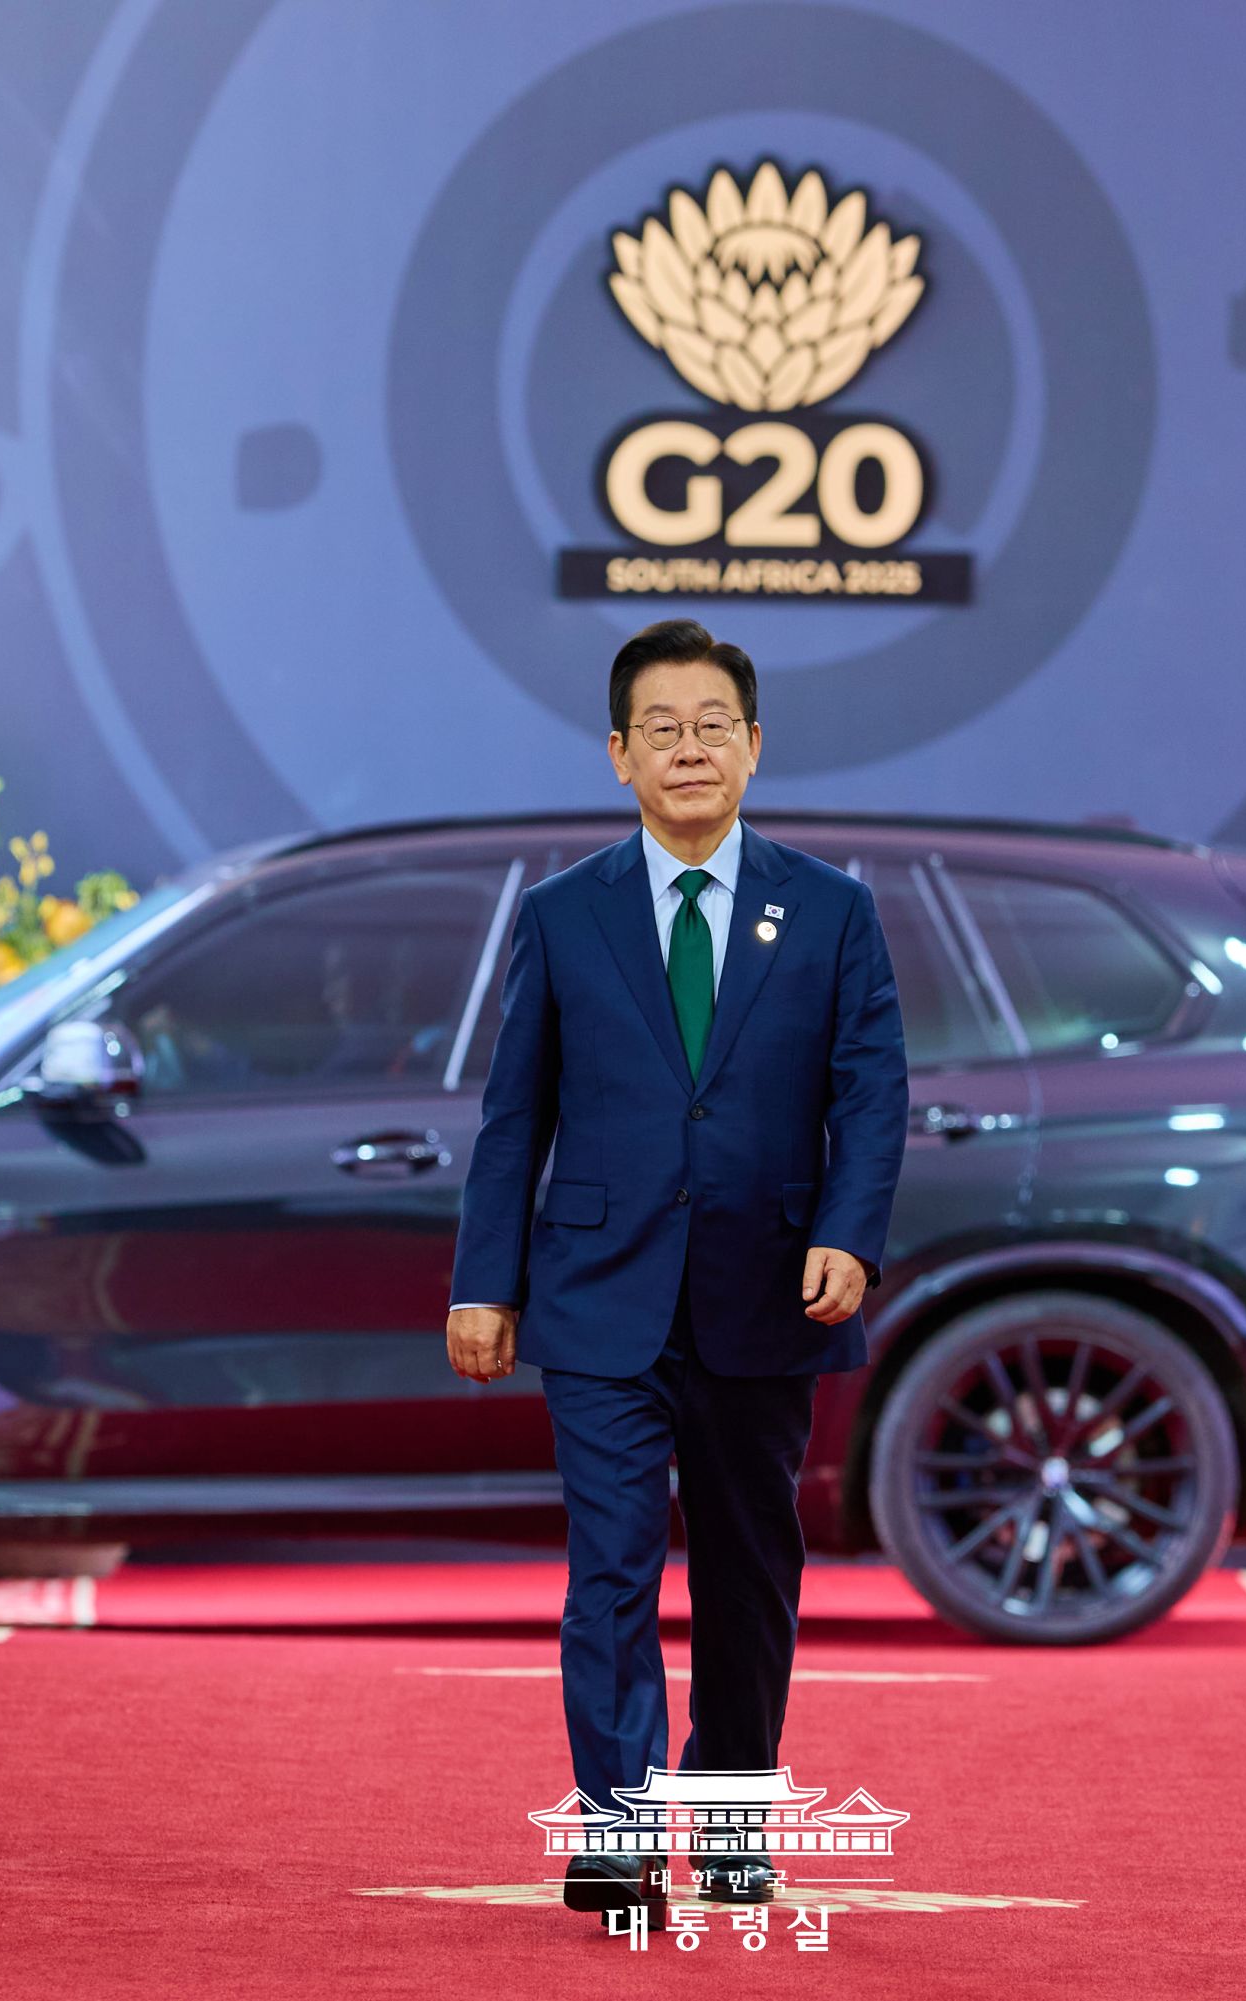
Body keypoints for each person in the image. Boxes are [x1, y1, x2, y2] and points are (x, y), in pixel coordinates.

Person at [446, 618, 907, 1922]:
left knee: (752, 1573)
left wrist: (847, 1232)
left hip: (768, 1291)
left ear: (754, 747)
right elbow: (512, 1113)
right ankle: (616, 1826)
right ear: (618, 754)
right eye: (663, 727)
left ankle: (735, 1817)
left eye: (714, 725)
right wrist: (486, 1279)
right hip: (598, 1295)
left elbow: (873, 1091)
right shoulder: (561, 913)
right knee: (610, 1568)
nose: (690, 748)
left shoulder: (831, 910)